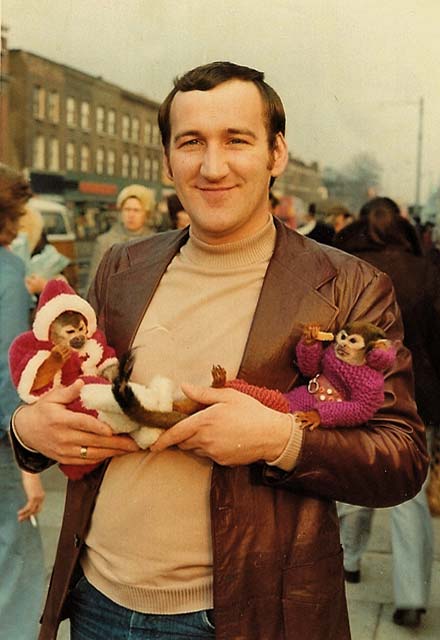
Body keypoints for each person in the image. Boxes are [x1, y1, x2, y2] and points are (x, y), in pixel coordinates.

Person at [10, 62, 428, 640]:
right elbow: (71, 391)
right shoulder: (123, 267)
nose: (212, 166)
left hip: (242, 616)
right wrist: (29, 432)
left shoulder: (349, 284)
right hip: (96, 601)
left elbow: (402, 457)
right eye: (191, 143)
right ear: (167, 159)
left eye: (236, 140)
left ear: (275, 153)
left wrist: (278, 440)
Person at [334, 196, 439, 628]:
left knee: (352, 481)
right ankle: (411, 597)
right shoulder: (426, 269)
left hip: (351, 388)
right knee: (410, 493)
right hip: (415, 391)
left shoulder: (344, 267)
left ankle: (349, 560)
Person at [0, 163, 46, 639]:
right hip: (0, 446)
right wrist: (27, 467)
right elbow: (4, 371)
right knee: (16, 564)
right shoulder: (9, 274)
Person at [86, 184, 155, 287]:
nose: (131, 215)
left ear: (146, 214)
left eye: (136, 210)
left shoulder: (155, 242)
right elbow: (93, 283)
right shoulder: (104, 242)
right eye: (127, 209)